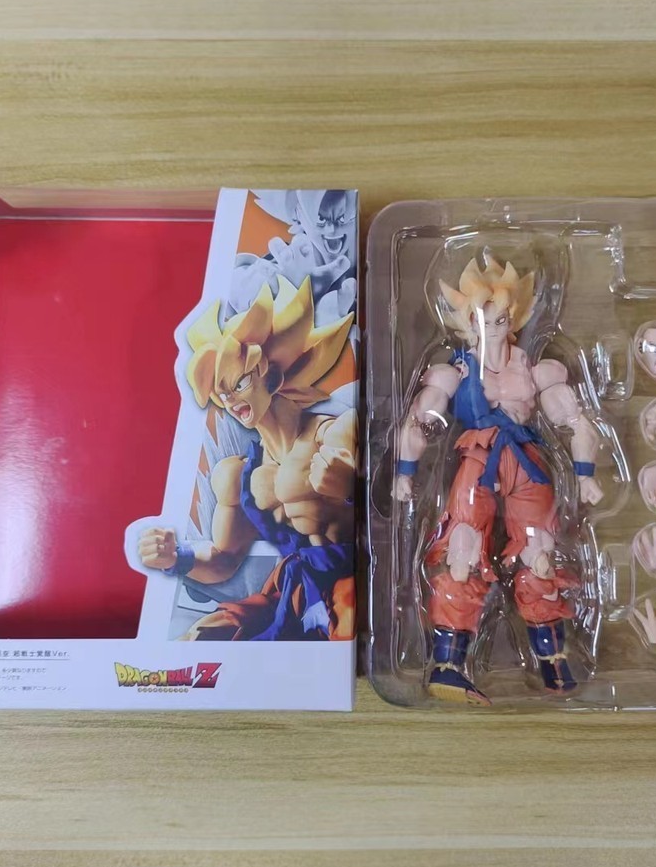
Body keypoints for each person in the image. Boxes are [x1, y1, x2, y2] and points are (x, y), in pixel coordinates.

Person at [396, 255, 603, 704]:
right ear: (467, 322)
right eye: (482, 320)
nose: (492, 328)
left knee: (539, 555)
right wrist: (405, 471)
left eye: (501, 319)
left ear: (515, 318)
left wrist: (585, 473)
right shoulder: (455, 370)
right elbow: (418, 421)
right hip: (478, 458)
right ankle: (448, 666)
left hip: (527, 461)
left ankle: (553, 663)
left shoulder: (535, 369)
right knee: (463, 551)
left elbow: (575, 422)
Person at [139, 276, 355, 641]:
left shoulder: (334, 434)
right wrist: (176, 558)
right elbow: (224, 560)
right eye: (222, 394)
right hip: (291, 591)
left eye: (239, 384)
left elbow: (389, 503)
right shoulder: (239, 475)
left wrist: (350, 483)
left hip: (348, 588)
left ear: (273, 377)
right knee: (202, 635)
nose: (232, 401)